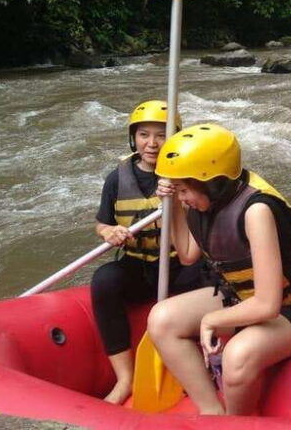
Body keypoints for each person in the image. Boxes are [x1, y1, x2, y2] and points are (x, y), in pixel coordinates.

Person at [148, 124, 291, 415]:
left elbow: (269, 304)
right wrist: (174, 207)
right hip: (240, 298)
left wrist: (211, 320)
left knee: (237, 355)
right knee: (162, 319)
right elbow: (189, 254)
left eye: (183, 190)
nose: (181, 197)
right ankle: (211, 411)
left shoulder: (256, 210)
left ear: (212, 181)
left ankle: (236, 420)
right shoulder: (203, 202)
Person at [90, 100, 204, 404]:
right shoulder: (117, 177)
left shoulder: (187, 172)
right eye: (144, 135)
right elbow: (102, 223)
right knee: (104, 280)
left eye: (161, 135)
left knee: (209, 278)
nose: (152, 144)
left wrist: (178, 196)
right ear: (134, 138)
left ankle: (199, 363)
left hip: (180, 264)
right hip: (138, 265)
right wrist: (108, 232)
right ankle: (125, 378)